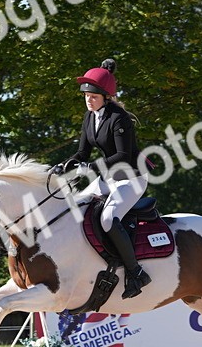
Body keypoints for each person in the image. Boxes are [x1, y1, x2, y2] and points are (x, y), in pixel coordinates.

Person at [55, 58, 150, 299]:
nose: (89, 100)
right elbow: (82, 152)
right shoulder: (90, 117)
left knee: (108, 218)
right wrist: (66, 163)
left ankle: (136, 272)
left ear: (105, 97)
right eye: (86, 96)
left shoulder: (119, 119)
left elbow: (122, 155)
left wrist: (90, 166)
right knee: (76, 208)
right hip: (109, 178)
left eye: (93, 97)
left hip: (131, 178)